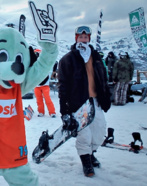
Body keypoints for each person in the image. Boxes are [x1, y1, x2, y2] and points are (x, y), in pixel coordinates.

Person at [58, 26, 111, 177]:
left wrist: (106, 97)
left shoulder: (96, 57)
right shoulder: (67, 59)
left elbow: (103, 79)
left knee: (100, 131)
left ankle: (92, 152)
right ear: (76, 38)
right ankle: (86, 162)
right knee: (84, 134)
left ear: (89, 38)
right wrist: (65, 111)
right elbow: (63, 86)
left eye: (85, 37)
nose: (83, 39)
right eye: (80, 37)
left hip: (96, 100)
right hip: (78, 103)